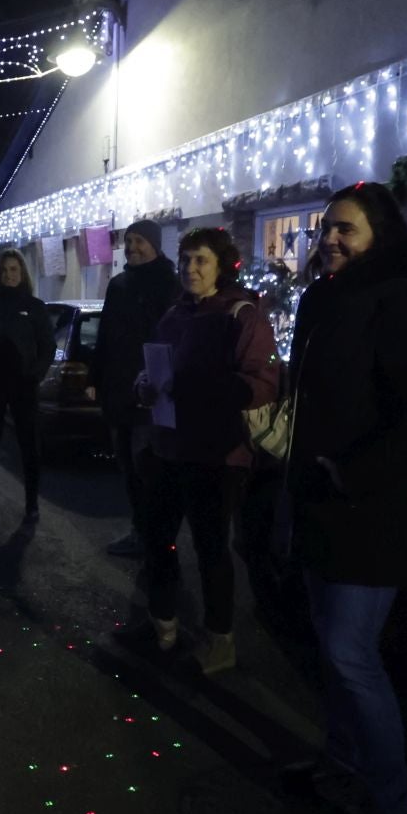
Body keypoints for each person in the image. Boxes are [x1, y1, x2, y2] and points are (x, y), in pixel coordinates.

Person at [283, 181, 407, 814]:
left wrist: (348, 470)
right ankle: (342, 763)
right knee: (331, 654)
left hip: (374, 514)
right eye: (326, 227)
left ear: (378, 238)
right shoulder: (329, 300)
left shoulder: (399, 305)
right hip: (323, 507)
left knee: (351, 656)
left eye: (347, 230)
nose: (331, 238)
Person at [128, 227, 278, 675]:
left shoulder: (241, 314)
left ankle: (219, 639)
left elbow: (263, 383)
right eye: (186, 260)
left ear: (221, 265)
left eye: (201, 261)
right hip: (169, 446)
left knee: (212, 549)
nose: (191, 269)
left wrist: (204, 387)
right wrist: (145, 385)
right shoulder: (174, 314)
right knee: (158, 539)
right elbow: (157, 369)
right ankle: (162, 623)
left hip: (218, 453)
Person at [92, 218, 177, 555]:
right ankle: (141, 533)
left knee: (149, 471)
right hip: (118, 393)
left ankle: (157, 540)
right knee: (128, 468)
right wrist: (95, 378)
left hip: (151, 396)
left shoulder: (169, 283)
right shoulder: (119, 285)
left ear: (155, 244)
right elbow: (105, 335)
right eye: (128, 242)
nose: (132, 248)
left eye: (140, 241)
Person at [0, 247, 56, 522]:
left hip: (23, 386)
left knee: (29, 446)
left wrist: (34, 375)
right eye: (4, 271)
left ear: (22, 273)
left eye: (14, 270)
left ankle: (31, 504)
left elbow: (47, 347)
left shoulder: (35, 307)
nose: (9, 275)